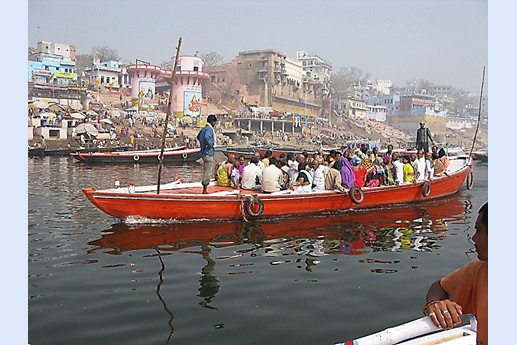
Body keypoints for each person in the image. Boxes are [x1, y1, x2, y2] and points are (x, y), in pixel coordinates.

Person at [423, 202, 487, 345]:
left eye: (478, 230)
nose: (473, 238)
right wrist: (435, 304)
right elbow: (439, 287)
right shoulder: (480, 270)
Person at [196, 114, 218, 194]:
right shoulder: (209, 129)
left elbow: (198, 137)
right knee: (208, 171)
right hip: (208, 152)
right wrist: (209, 144)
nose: (215, 124)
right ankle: (205, 189)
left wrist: (202, 143)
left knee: (206, 169)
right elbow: (206, 137)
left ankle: (204, 188)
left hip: (203, 152)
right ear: (212, 122)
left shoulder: (203, 129)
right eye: (215, 122)